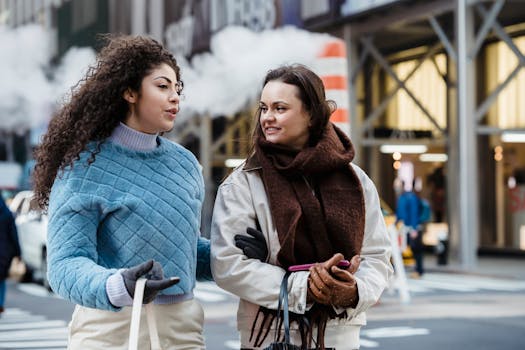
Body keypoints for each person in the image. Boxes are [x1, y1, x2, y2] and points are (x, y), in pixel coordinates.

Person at [32, 34, 211, 349]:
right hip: (110, 333)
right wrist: (118, 286)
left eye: (177, 88)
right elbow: (65, 264)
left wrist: (235, 253)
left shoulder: (185, 164)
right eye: (162, 86)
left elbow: (185, 251)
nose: (175, 98)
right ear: (129, 92)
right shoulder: (84, 166)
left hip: (183, 332)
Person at [210, 64, 393, 349]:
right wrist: (304, 286)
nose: (267, 118)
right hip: (270, 335)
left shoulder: (356, 180)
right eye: (263, 108)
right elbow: (227, 264)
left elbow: (377, 256)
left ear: (310, 114)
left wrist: (352, 292)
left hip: (340, 332)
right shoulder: (243, 183)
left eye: (280, 108)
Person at [395, 181, 425, 277]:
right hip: (404, 228)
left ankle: (419, 270)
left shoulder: (410, 197)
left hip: (411, 228)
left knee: (416, 250)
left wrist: (414, 228)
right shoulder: (402, 197)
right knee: (399, 249)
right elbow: (400, 213)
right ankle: (399, 271)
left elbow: (413, 212)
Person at [0, 195, 21, 315]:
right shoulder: (7, 213)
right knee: (1, 280)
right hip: (4, 253)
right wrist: (18, 252)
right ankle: (0, 304)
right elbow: (13, 234)